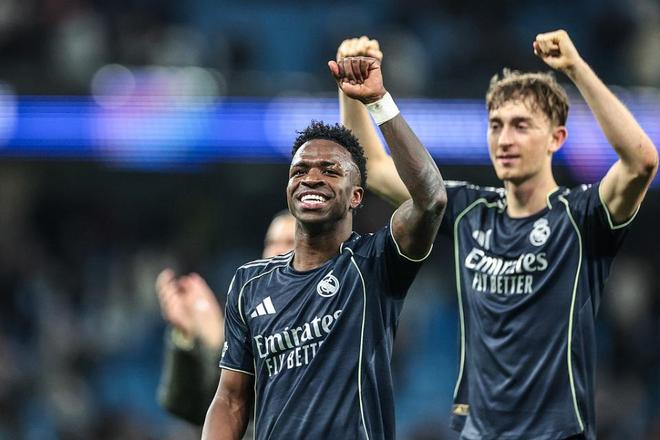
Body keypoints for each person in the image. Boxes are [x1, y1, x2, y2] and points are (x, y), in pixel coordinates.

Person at [338, 32, 658, 439]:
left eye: (521, 126)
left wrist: (576, 69)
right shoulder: (469, 210)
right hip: (478, 431)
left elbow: (641, 162)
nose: (505, 139)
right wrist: (355, 92)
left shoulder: (581, 215)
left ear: (557, 138)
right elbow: (374, 168)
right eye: (496, 126)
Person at [202, 56, 447, 439]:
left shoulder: (375, 263)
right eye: (299, 171)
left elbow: (431, 200)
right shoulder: (249, 284)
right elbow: (231, 400)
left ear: (356, 196)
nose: (311, 178)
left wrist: (379, 102)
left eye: (330, 171)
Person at [155, 211, 295, 426]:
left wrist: (217, 343)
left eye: (290, 242)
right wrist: (188, 337)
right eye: (271, 243)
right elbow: (187, 407)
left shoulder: (330, 314)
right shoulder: (248, 320)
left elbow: (282, 406)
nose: (276, 251)